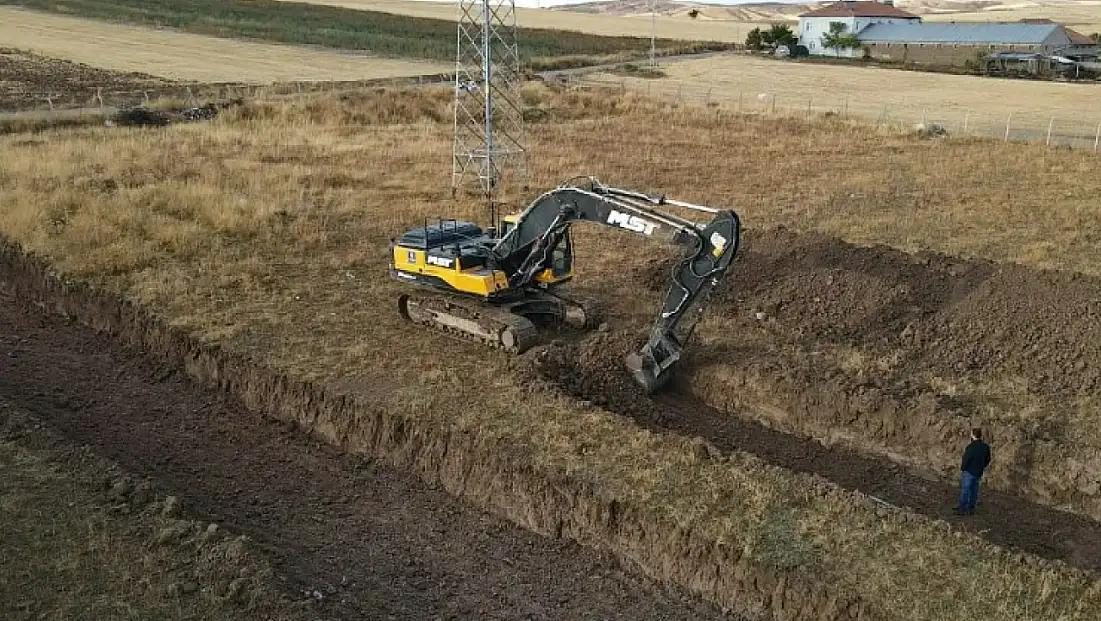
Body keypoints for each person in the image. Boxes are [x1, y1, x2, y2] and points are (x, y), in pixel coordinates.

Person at [957, 427, 991, 515]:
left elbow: (966, 459)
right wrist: (982, 466)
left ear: (972, 435)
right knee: (974, 491)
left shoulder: (970, 447)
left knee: (965, 490)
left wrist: (963, 468)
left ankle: (962, 509)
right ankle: (971, 508)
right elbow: (988, 459)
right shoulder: (985, 447)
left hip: (969, 471)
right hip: (979, 471)